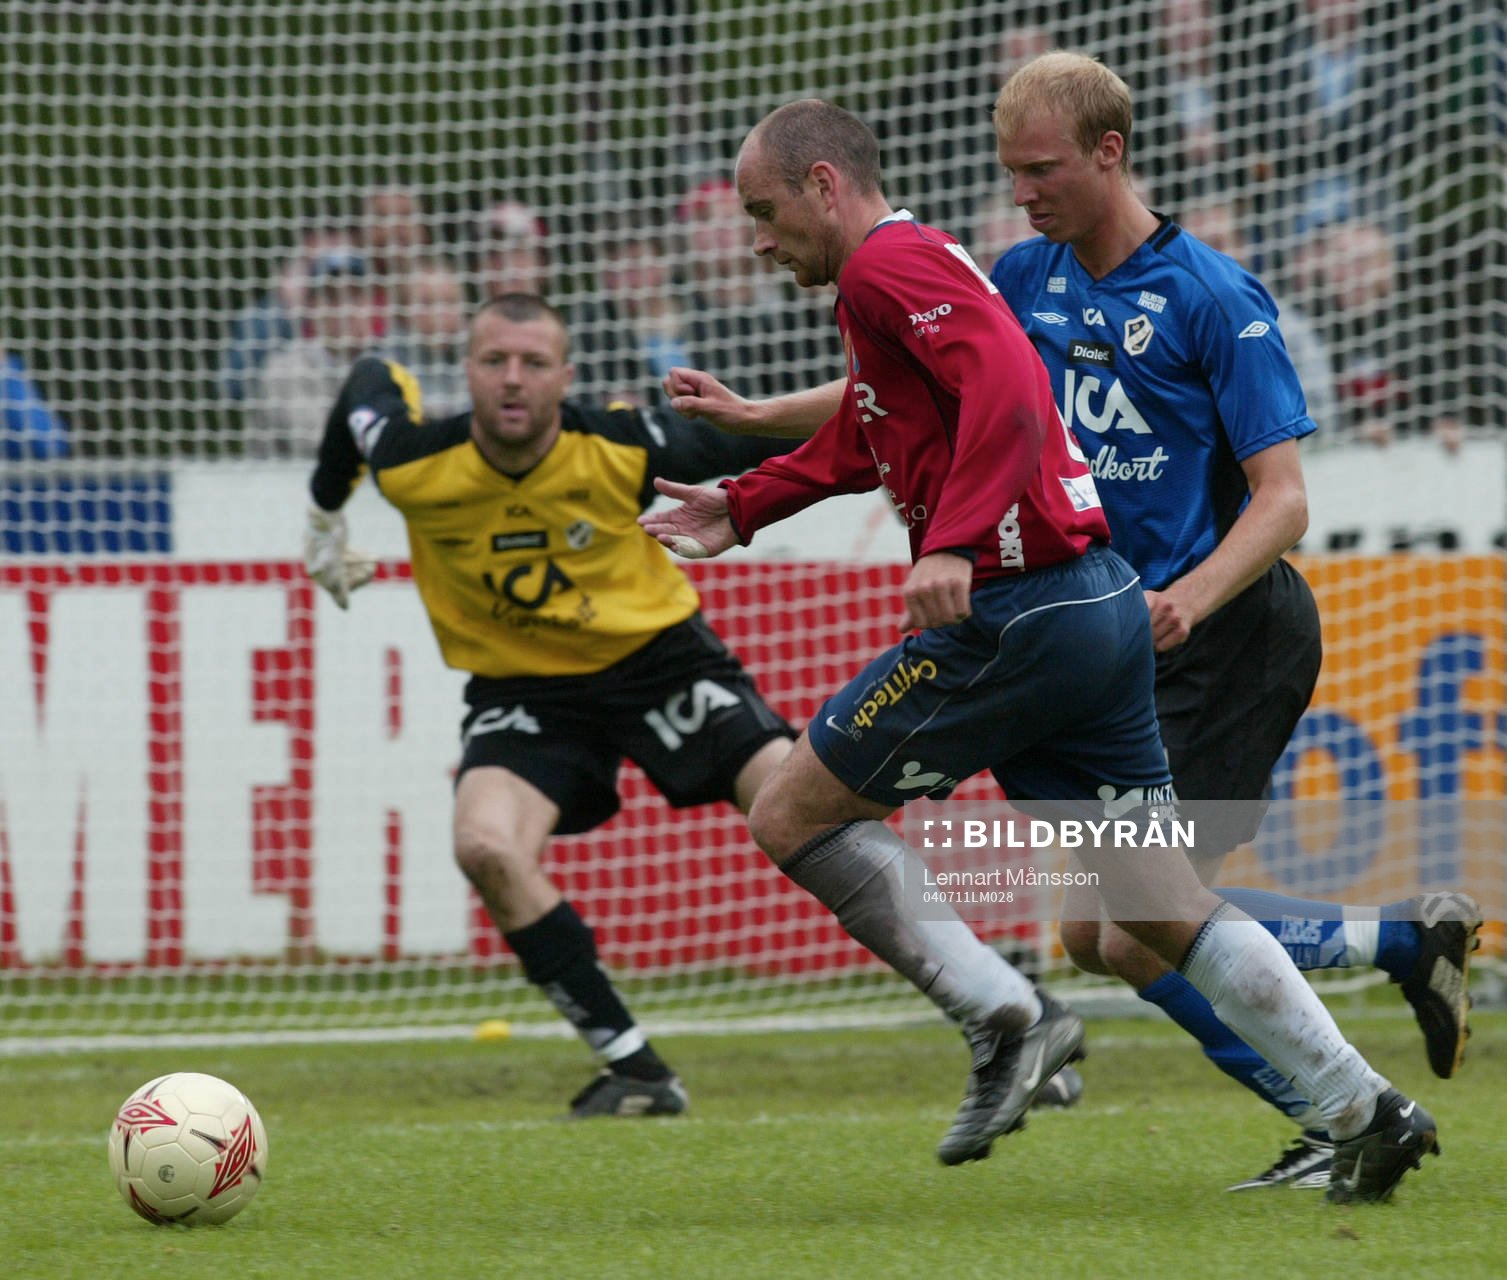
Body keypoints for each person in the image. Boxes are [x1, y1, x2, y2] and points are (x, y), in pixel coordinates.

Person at [641, 97, 1441, 1203]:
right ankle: (1366, 1109)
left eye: (765, 213)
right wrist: (745, 500)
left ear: (825, 186)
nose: (757, 241)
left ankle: (1005, 1019)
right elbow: (884, 425)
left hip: (1027, 612)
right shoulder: (961, 268)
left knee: (791, 810)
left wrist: (955, 541)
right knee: (1146, 913)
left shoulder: (887, 272)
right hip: (1102, 602)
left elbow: (1012, 393)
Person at [301, 292, 797, 1118]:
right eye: (494, 360)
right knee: (484, 844)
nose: (512, 379)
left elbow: (758, 432)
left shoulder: (621, 444)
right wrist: (323, 517)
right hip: (525, 687)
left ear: (565, 379)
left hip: (655, 659)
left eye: (533, 363)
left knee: (803, 805)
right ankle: (636, 1071)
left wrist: (902, 432)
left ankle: (992, 1000)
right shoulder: (413, 462)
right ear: (466, 372)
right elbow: (366, 380)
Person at [255, 248, 383, 456]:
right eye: (333, 298)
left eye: (356, 296)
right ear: (312, 307)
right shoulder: (283, 370)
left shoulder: (391, 363)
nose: (346, 309)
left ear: (372, 304)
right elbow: (318, 445)